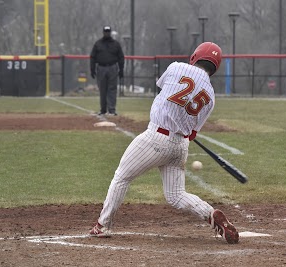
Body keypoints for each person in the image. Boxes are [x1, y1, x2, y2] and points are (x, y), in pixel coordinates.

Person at [90, 42, 239, 244]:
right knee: (176, 196)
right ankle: (210, 213)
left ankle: (102, 225)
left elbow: (164, 89)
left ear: (196, 56)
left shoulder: (176, 67)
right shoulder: (211, 97)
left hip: (155, 137)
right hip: (180, 146)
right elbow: (193, 133)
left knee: (121, 177)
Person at [90, 26, 124, 116]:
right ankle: (103, 110)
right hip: (101, 68)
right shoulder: (98, 44)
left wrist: (121, 70)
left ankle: (112, 110)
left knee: (112, 89)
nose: (107, 33)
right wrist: (92, 69)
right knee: (102, 89)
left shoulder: (116, 44)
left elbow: (121, 57)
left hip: (112, 67)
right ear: (103, 32)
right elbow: (92, 57)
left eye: (108, 31)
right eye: (105, 31)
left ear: (110, 32)